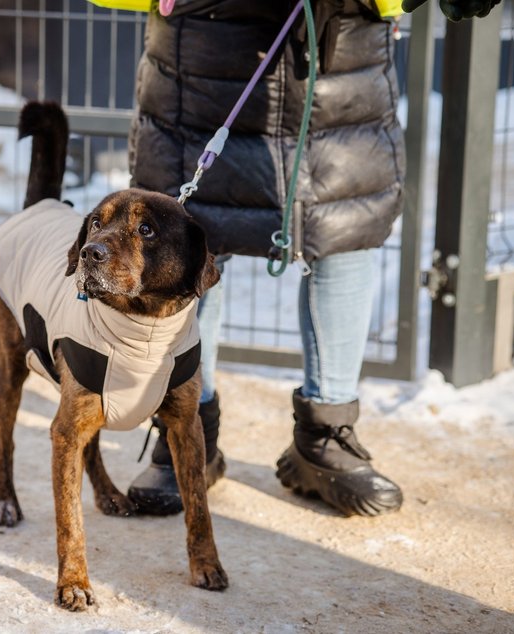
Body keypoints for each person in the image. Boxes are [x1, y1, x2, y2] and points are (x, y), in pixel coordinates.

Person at [126, 0, 408, 518]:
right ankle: (187, 433)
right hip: (199, 61)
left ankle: (327, 438)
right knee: (185, 248)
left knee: (345, 231)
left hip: (339, 64)